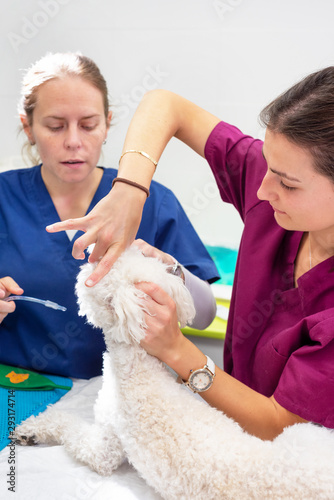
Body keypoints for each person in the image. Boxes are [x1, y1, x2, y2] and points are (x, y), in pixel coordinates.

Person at [50, 67, 334, 440]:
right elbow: (166, 105)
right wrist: (131, 190)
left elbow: (276, 424)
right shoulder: (274, 190)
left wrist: (175, 349)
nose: (263, 191)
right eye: (268, 165)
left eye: (287, 184)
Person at [0, 52, 219, 379]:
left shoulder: (151, 200)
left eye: (88, 125)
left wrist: (173, 271)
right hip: (21, 388)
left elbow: (204, 316)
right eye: (55, 126)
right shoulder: (5, 198)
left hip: (127, 395)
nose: (74, 141)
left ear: (106, 125)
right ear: (28, 127)